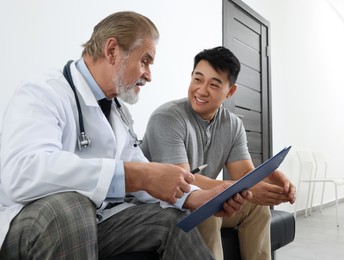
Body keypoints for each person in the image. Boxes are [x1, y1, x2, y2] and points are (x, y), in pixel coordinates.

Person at [0, 13, 248, 259]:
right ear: (112, 51)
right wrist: (138, 175)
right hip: (31, 222)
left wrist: (194, 197)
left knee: (171, 221)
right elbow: (22, 173)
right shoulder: (43, 92)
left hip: (95, 221)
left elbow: (138, 164)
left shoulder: (118, 111)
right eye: (145, 61)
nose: (149, 74)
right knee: (71, 207)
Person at [141, 46, 296, 260]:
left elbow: (243, 172)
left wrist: (269, 177)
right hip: (165, 204)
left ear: (230, 91)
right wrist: (236, 190)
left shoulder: (232, 124)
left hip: (200, 198)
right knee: (206, 209)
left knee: (257, 208)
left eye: (214, 84)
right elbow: (181, 182)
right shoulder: (167, 117)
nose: (202, 90)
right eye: (198, 79)